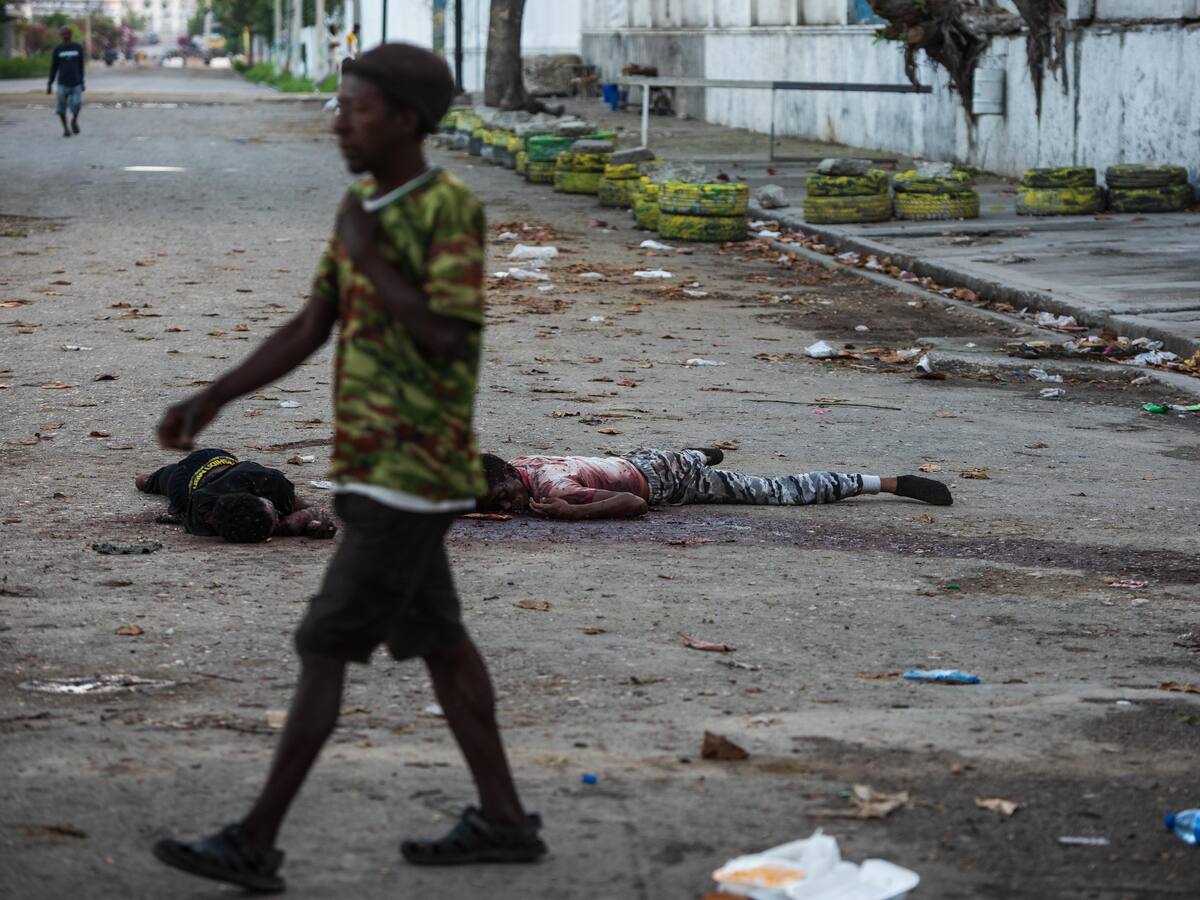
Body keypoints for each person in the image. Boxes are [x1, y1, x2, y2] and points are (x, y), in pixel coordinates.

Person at [150, 43, 544, 894]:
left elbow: (448, 336)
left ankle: (254, 841)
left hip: (411, 470)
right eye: (339, 106)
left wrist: (372, 259)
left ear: (405, 119)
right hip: (374, 467)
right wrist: (213, 397)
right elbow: (310, 325)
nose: (338, 123)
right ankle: (505, 821)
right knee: (440, 641)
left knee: (325, 643)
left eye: (355, 109)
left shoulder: (446, 211)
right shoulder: (360, 207)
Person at [478, 447, 953, 519]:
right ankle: (698, 453)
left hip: (672, 483)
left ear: (510, 475)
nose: (505, 508)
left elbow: (632, 504)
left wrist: (573, 512)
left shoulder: (554, 490)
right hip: (645, 458)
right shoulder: (520, 463)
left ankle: (884, 482)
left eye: (503, 498)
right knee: (680, 458)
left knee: (778, 491)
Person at [135, 448, 337, 541]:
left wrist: (306, 517)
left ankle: (152, 478)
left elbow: (307, 507)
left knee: (145, 482)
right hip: (185, 479)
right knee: (145, 482)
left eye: (274, 514)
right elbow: (306, 512)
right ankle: (152, 478)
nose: (279, 515)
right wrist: (297, 522)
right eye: (276, 516)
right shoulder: (201, 509)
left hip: (216, 460)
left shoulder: (267, 481)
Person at [47, 26, 85, 138]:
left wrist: (82, 82)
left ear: (71, 34)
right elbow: (54, 67)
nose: (65, 35)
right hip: (62, 83)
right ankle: (65, 129)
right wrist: (50, 83)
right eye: (63, 33)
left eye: (67, 33)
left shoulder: (77, 47)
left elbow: (81, 66)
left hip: (76, 83)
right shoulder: (58, 49)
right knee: (61, 107)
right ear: (61, 35)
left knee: (77, 104)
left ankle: (74, 121)